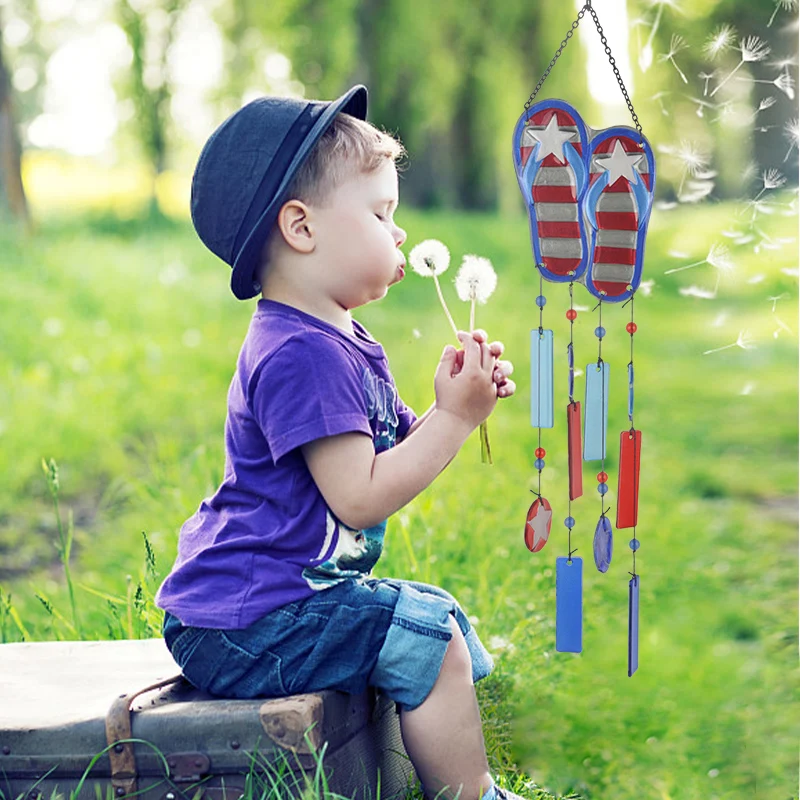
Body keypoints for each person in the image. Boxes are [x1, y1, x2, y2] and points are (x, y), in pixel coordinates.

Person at [155, 84, 524, 800]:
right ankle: (471, 794)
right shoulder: (301, 354)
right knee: (424, 632)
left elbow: (382, 453)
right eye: (382, 213)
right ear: (301, 228)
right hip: (244, 622)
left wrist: (451, 406)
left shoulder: (333, 338)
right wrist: (454, 423)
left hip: (268, 605)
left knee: (429, 612)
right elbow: (358, 497)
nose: (401, 233)